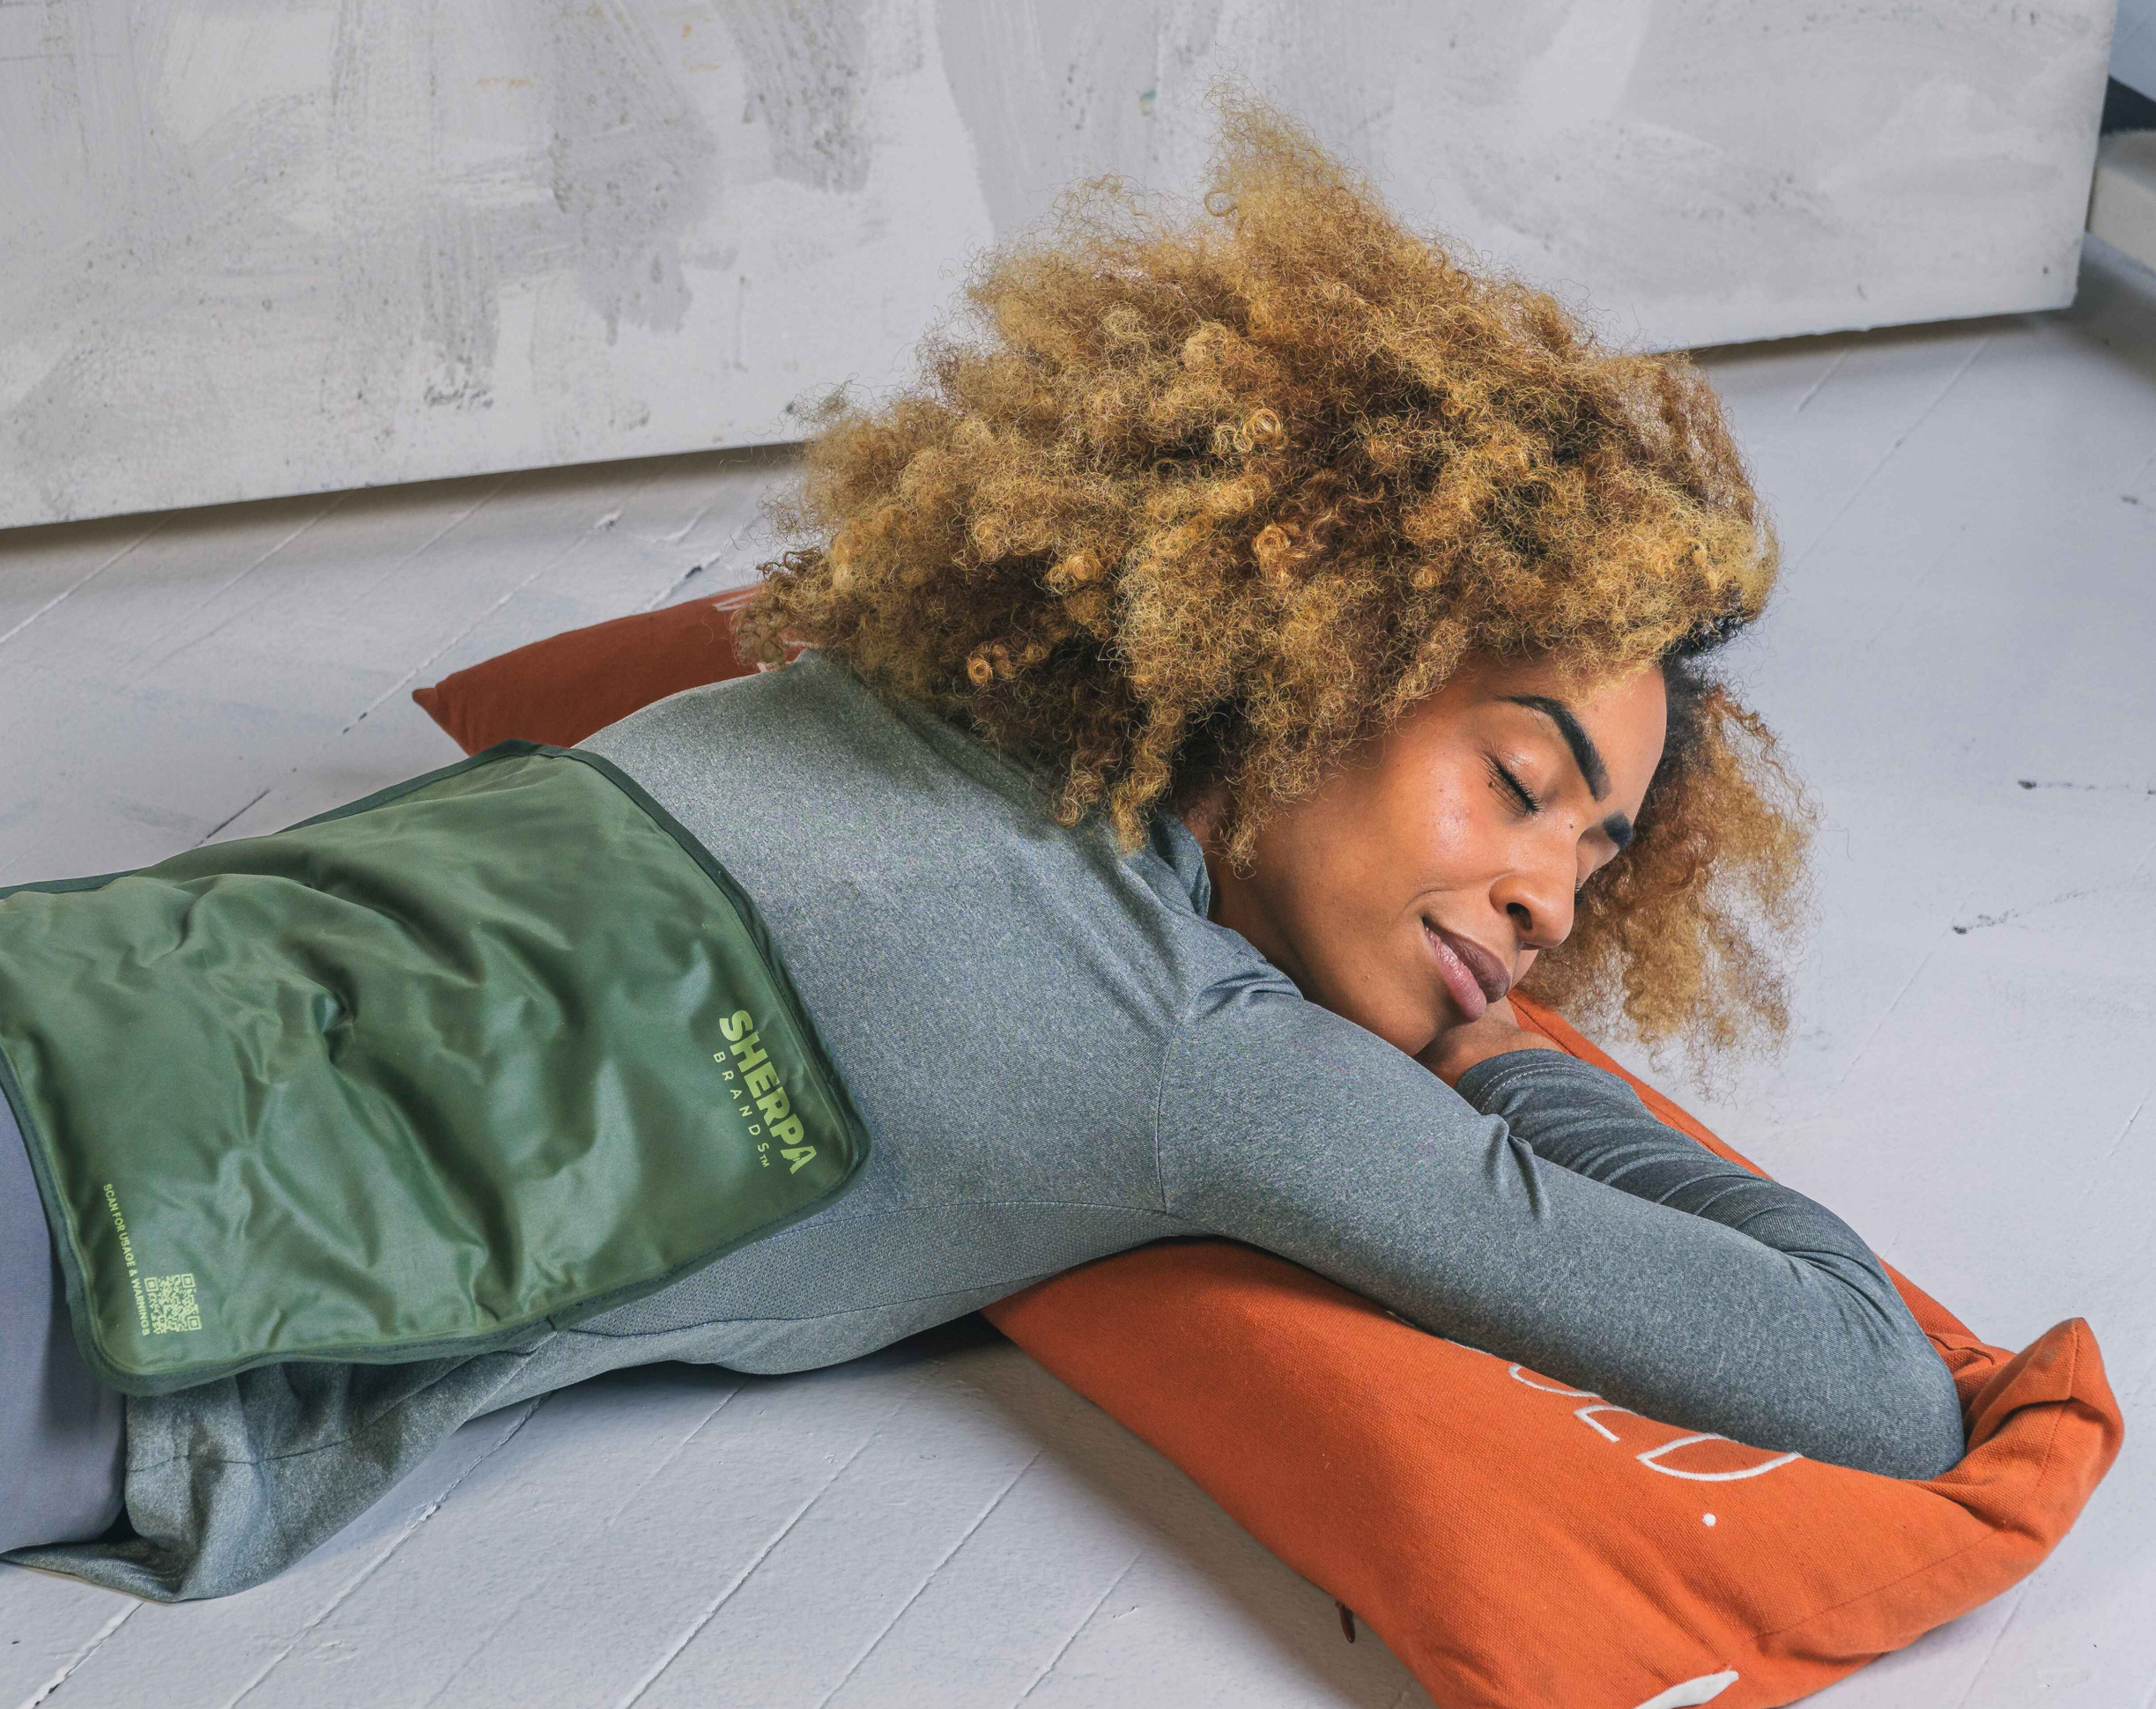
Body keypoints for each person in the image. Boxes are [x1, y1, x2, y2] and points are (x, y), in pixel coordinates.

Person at [0, 110, 1964, 1600]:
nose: (1548, 899)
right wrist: (1513, 1071)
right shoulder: (1199, 1061)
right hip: (100, 1272)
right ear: (1328, 654)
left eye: (1599, 867)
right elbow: (1871, 1379)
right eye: (1520, 779)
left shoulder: (839, 684)